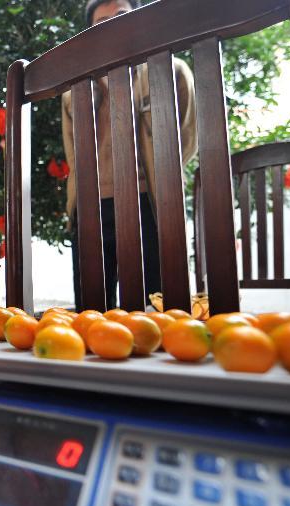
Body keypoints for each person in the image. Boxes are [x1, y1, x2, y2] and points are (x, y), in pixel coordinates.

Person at [62, 0, 197, 310]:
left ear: (139, 19)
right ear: (91, 33)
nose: (113, 24)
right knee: (92, 309)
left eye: (121, 15)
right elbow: (73, 150)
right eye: (101, 22)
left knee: (162, 306)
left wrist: (159, 178)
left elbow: (187, 136)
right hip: (93, 206)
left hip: (151, 202)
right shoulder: (75, 90)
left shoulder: (171, 70)